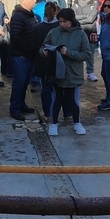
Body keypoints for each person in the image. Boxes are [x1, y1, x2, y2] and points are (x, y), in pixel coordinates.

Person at [40, 8, 91, 136]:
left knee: (73, 100)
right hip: (56, 72)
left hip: (73, 73)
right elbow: (43, 46)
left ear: (71, 20)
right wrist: (44, 52)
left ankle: (77, 123)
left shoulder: (80, 34)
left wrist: (68, 53)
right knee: (56, 98)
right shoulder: (53, 32)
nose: (62, 24)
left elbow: (86, 54)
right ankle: (54, 124)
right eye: (60, 21)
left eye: (65, 22)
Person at [7, 0, 40, 120]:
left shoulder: (29, 14)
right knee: (19, 83)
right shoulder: (19, 16)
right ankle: (14, 109)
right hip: (20, 56)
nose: (35, 1)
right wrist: (28, 49)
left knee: (25, 82)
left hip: (28, 55)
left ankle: (21, 104)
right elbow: (16, 37)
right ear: (24, 1)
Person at [72, 0, 99, 81]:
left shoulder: (94, 1)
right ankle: (77, 72)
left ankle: (90, 72)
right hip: (78, 30)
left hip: (90, 30)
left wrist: (77, 19)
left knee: (90, 52)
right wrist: (84, 16)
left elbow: (91, 18)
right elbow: (72, 15)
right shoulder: (75, 1)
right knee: (77, 51)